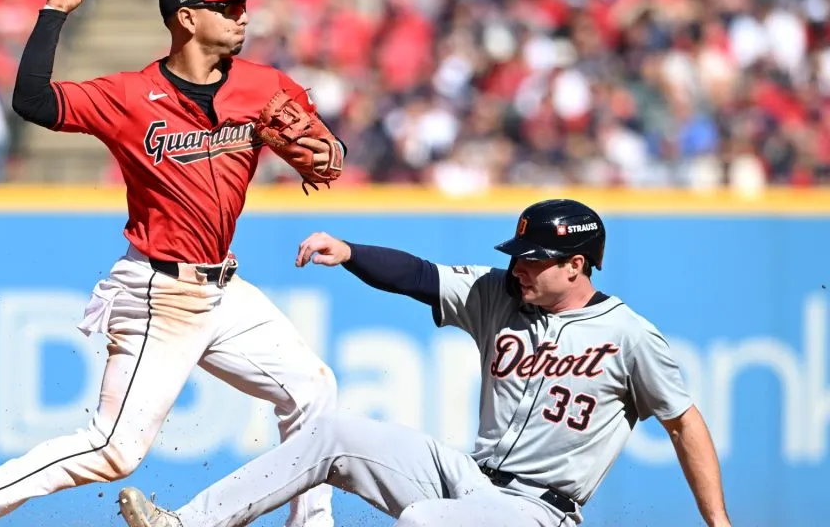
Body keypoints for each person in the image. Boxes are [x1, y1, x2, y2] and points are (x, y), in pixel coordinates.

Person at [0, 0, 345, 527]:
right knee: (115, 449)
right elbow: (33, 102)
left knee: (313, 390)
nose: (243, 14)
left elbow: (326, 146)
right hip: (158, 292)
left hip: (223, 289)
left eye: (243, 3)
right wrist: (52, 14)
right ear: (186, 18)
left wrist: (328, 150)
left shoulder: (265, 86)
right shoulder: (130, 96)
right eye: (228, 5)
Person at [116, 198, 733, 527]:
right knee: (331, 434)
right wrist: (352, 252)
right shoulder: (498, 292)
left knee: (425, 521)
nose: (520, 265)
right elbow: (418, 275)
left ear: (578, 265)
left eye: (535, 258)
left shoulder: (630, 336)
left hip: (537, 513)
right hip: (470, 478)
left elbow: (684, 422)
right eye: (518, 253)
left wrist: (718, 523)